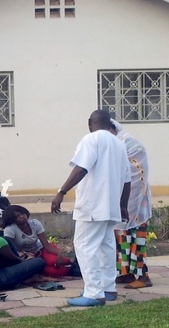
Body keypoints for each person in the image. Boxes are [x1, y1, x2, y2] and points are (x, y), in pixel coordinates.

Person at [51, 110, 131, 307]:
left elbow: (81, 168)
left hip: (93, 205)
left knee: (85, 246)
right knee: (106, 247)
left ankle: (94, 294)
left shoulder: (91, 139)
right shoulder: (119, 143)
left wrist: (62, 191)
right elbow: (127, 179)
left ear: (90, 123)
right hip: (111, 206)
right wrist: (122, 205)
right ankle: (108, 288)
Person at [110, 119, 153, 289]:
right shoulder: (114, 143)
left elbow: (135, 172)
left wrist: (125, 201)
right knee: (121, 239)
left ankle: (143, 276)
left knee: (137, 239)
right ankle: (126, 272)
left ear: (110, 127)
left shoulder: (127, 142)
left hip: (136, 203)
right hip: (121, 201)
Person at [2, 205, 72, 277]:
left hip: (40, 250)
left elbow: (46, 245)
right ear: (12, 220)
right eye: (17, 216)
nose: (22, 216)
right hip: (25, 257)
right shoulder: (10, 229)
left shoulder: (35, 223)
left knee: (55, 261)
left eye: (22, 213)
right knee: (52, 271)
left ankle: (71, 264)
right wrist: (25, 256)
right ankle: (68, 269)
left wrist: (59, 254)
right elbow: (11, 250)